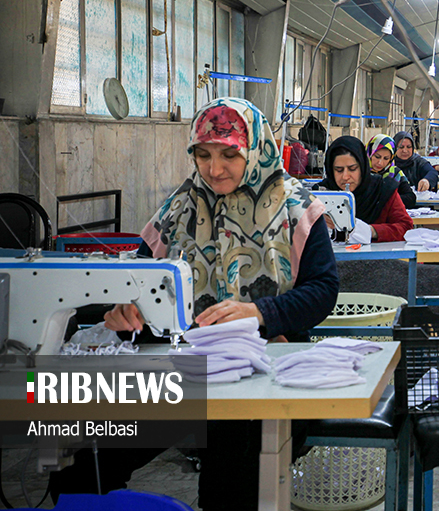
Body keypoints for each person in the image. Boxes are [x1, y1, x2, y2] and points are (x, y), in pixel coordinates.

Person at [52, 98, 339, 510]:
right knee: (80, 466)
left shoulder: (296, 208)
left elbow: (323, 290)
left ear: (255, 150)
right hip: (183, 369)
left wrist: (260, 312)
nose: (214, 169)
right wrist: (128, 311)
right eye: (203, 155)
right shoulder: (178, 208)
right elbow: (139, 282)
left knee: (230, 476)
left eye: (229, 155)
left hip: (268, 369)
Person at [315, 136, 413, 242]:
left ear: (362, 167)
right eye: (339, 170)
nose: (345, 176)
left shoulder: (382, 190)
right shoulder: (320, 193)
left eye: (352, 169)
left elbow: (406, 227)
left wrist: (371, 231)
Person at [367, 133, 417, 208]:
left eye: (386, 158)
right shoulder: (360, 173)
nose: (380, 162)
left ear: (391, 159)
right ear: (369, 153)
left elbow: (410, 199)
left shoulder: (396, 174)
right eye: (377, 157)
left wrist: (387, 198)